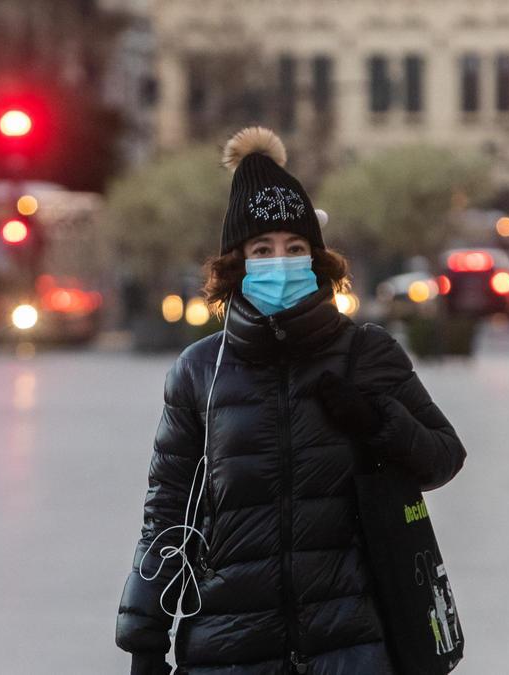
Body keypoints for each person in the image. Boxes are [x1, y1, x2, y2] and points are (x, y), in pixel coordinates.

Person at [115, 127, 467, 675]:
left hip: (350, 646)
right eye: (263, 249)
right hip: (228, 647)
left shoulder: (365, 354)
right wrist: (143, 637)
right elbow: (165, 512)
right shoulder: (200, 371)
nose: (280, 261)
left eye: (295, 248)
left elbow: (444, 457)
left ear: (317, 258)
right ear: (237, 264)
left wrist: (377, 420)